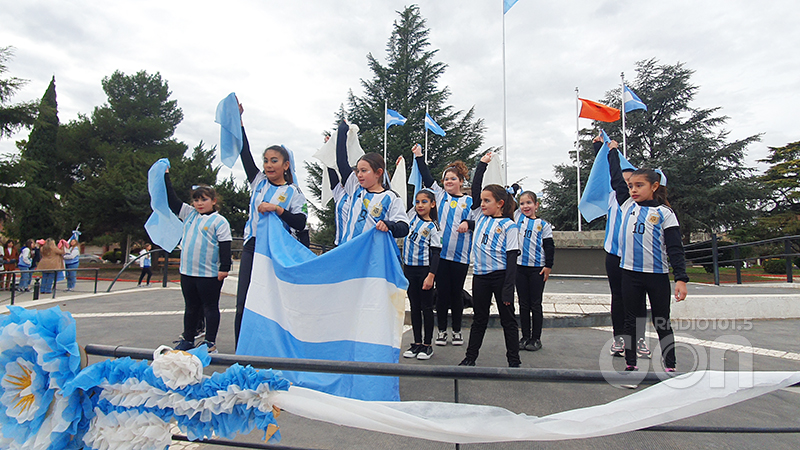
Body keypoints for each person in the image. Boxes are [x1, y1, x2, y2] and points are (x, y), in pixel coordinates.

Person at [234, 102, 308, 347]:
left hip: (277, 253)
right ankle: (242, 353)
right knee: (244, 302)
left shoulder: (293, 192)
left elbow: (300, 222)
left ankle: (274, 350)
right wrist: (239, 120)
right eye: (265, 160)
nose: (268, 165)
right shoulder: (258, 182)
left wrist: (277, 209)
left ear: (286, 165)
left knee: (274, 304)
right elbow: (244, 151)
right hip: (252, 248)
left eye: (274, 160)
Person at [609, 146, 689, 372]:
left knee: (661, 321)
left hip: (657, 276)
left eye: (639, 185)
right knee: (631, 321)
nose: (633, 190)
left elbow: (675, 248)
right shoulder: (627, 206)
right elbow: (616, 178)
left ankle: (670, 366)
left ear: (654, 186)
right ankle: (631, 365)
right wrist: (611, 151)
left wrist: (681, 278)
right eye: (631, 186)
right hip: (630, 274)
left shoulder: (665, 213)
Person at [459, 153, 521, 368]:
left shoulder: (509, 226)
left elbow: (512, 259)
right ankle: (470, 358)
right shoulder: (480, 218)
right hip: (480, 278)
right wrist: (481, 165)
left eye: (488, 201)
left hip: (501, 277)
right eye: (482, 201)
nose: (482, 203)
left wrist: (507, 289)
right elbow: (476, 189)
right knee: (479, 319)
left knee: (508, 321)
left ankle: (514, 361)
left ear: (500, 203)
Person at [412, 145, 473, 346]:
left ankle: (456, 330)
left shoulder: (469, 201)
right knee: (442, 294)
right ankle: (441, 331)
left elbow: (478, 221)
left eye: (453, 178)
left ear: (461, 182)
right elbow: (427, 177)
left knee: (457, 295)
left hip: (460, 256)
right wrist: (419, 157)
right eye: (446, 178)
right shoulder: (439, 195)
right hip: (440, 256)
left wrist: (468, 223)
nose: (448, 181)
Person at [165, 173, 232, 354]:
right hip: (187, 272)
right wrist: (166, 177)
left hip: (208, 274)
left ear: (214, 201)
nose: (199, 203)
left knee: (210, 307)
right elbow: (172, 201)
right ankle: (188, 338)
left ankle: (210, 341)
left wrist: (224, 268)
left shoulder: (220, 221)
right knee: (191, 307)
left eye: (204, 199)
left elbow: (226, 245)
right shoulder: (189, 214)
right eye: (196, 200)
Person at [595, 137, 650, 358]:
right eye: (626, 184)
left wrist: (614, 152)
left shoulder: (641, 204)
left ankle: (639, 340)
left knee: (638, 298)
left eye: (635, 184)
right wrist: (600, 149)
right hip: (614, 255)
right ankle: (619, 339)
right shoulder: (614, 197)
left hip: (636, 257)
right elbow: (606, 172)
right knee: (618, 297)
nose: (629, 188)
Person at [333, 120, 409, 243]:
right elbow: (341, 162)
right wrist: (342, 131)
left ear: (378, 173)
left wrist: (389, 225)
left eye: (364, 170)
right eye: (358, 171)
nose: (359, 175)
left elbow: (404, 227)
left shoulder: (391, 197)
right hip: (349, 251)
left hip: (371, 256)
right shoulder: (355, 188)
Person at [401, 168, 442, 360]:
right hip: (409, 270)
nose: (420, 205)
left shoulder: (432, 227)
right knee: (414, 307)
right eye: (417, 202)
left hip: (424, 271)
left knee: (426, 308)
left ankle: (427, 344)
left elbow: (436, 253)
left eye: (424, 202)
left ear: (432, 204)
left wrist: (431, 276)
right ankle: (416, 342)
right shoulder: (410, 219)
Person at [515, 191, 554, 352]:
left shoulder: (543, 225)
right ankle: (525, 336)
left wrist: (548, 266)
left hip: (537, 269)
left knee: (535, 304)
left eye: (529, 203)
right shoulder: (518, 219)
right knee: (523, 304)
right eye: (522, 203)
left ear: (536, 205)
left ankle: (536, 338)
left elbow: (549, 246)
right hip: (519, 267)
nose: (526, 206)